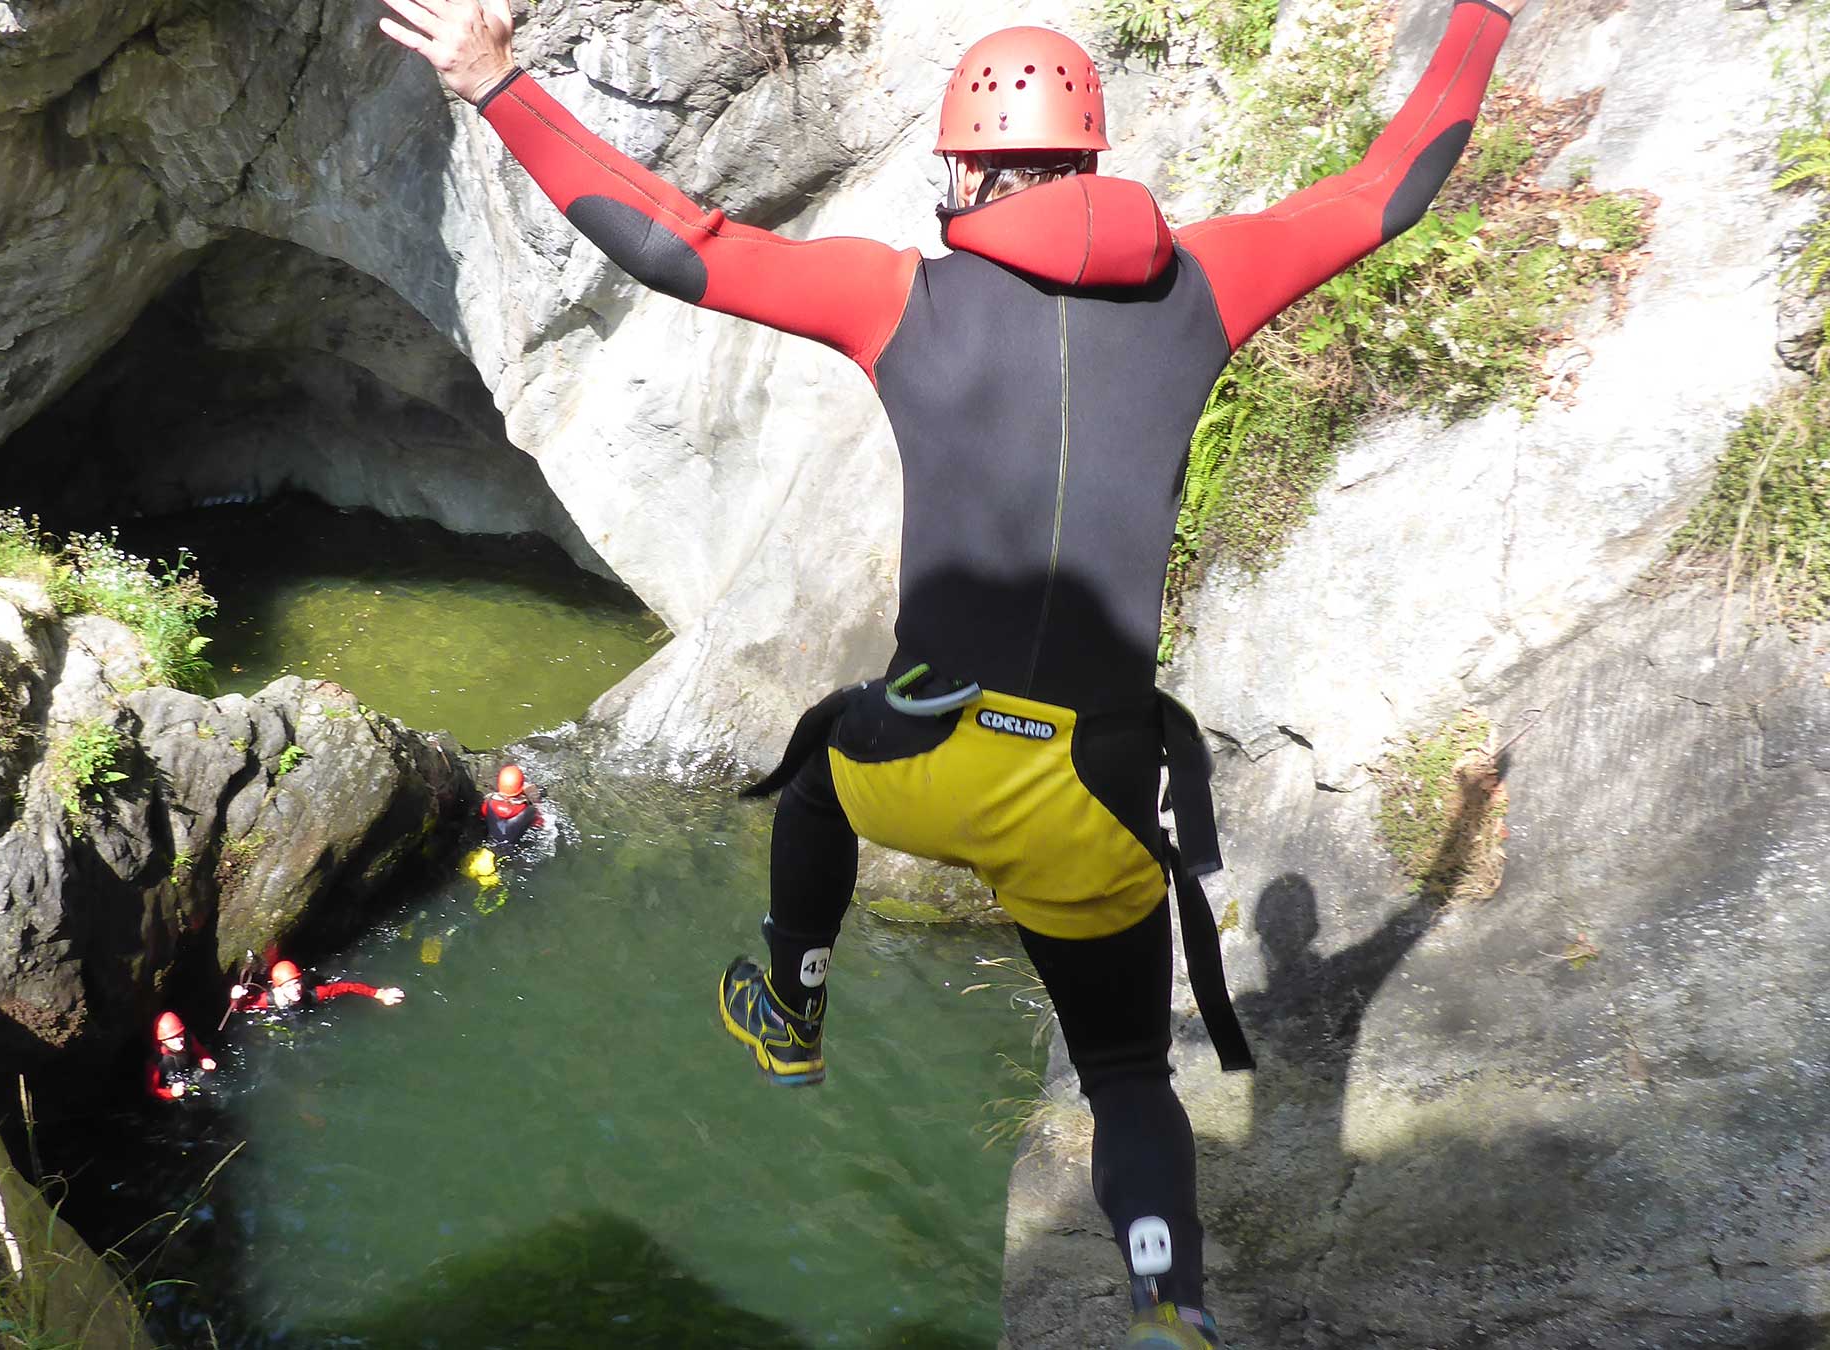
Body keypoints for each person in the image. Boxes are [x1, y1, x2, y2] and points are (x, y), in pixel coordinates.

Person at [377, 1, 1526, 1345]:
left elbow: (676, 246)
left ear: (973, 169)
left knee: (812, 764)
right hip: (1094, 795)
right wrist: (1485, 16)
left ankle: (794, 1009)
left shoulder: (899, 295)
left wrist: (500, 84)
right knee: (1123, 1074)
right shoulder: (1208, 281)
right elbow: (1396, 184)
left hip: (924, 762)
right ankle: (1170, 1300)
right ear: (1089, 158)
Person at [226, 958, 407, 1013]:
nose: (295, 990)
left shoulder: (317, 994)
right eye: (288, 987)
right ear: (278, 988)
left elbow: (347, 987)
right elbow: (241, 1008)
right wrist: (236, 998)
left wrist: (378, 993)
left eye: (296, 984)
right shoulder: (270, 999)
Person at [147, 1010, 217, 1101]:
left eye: (179, 1035)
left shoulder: (188, 1039)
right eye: (171, 1038)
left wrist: (205, 1059)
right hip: (168, 1083)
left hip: (186, 1072)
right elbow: (152, 1090)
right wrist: (170, 1093)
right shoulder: (156, 1059)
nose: (178, 1041)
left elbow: (199, 1050)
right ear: (162, 1041)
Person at [479, 763, 542, 855]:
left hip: (490, 847)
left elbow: (482, 816)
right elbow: (540, 824)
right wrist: (537, 802)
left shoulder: (488, 804)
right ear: (521, 788)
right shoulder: (530, 811)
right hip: (513, 851)